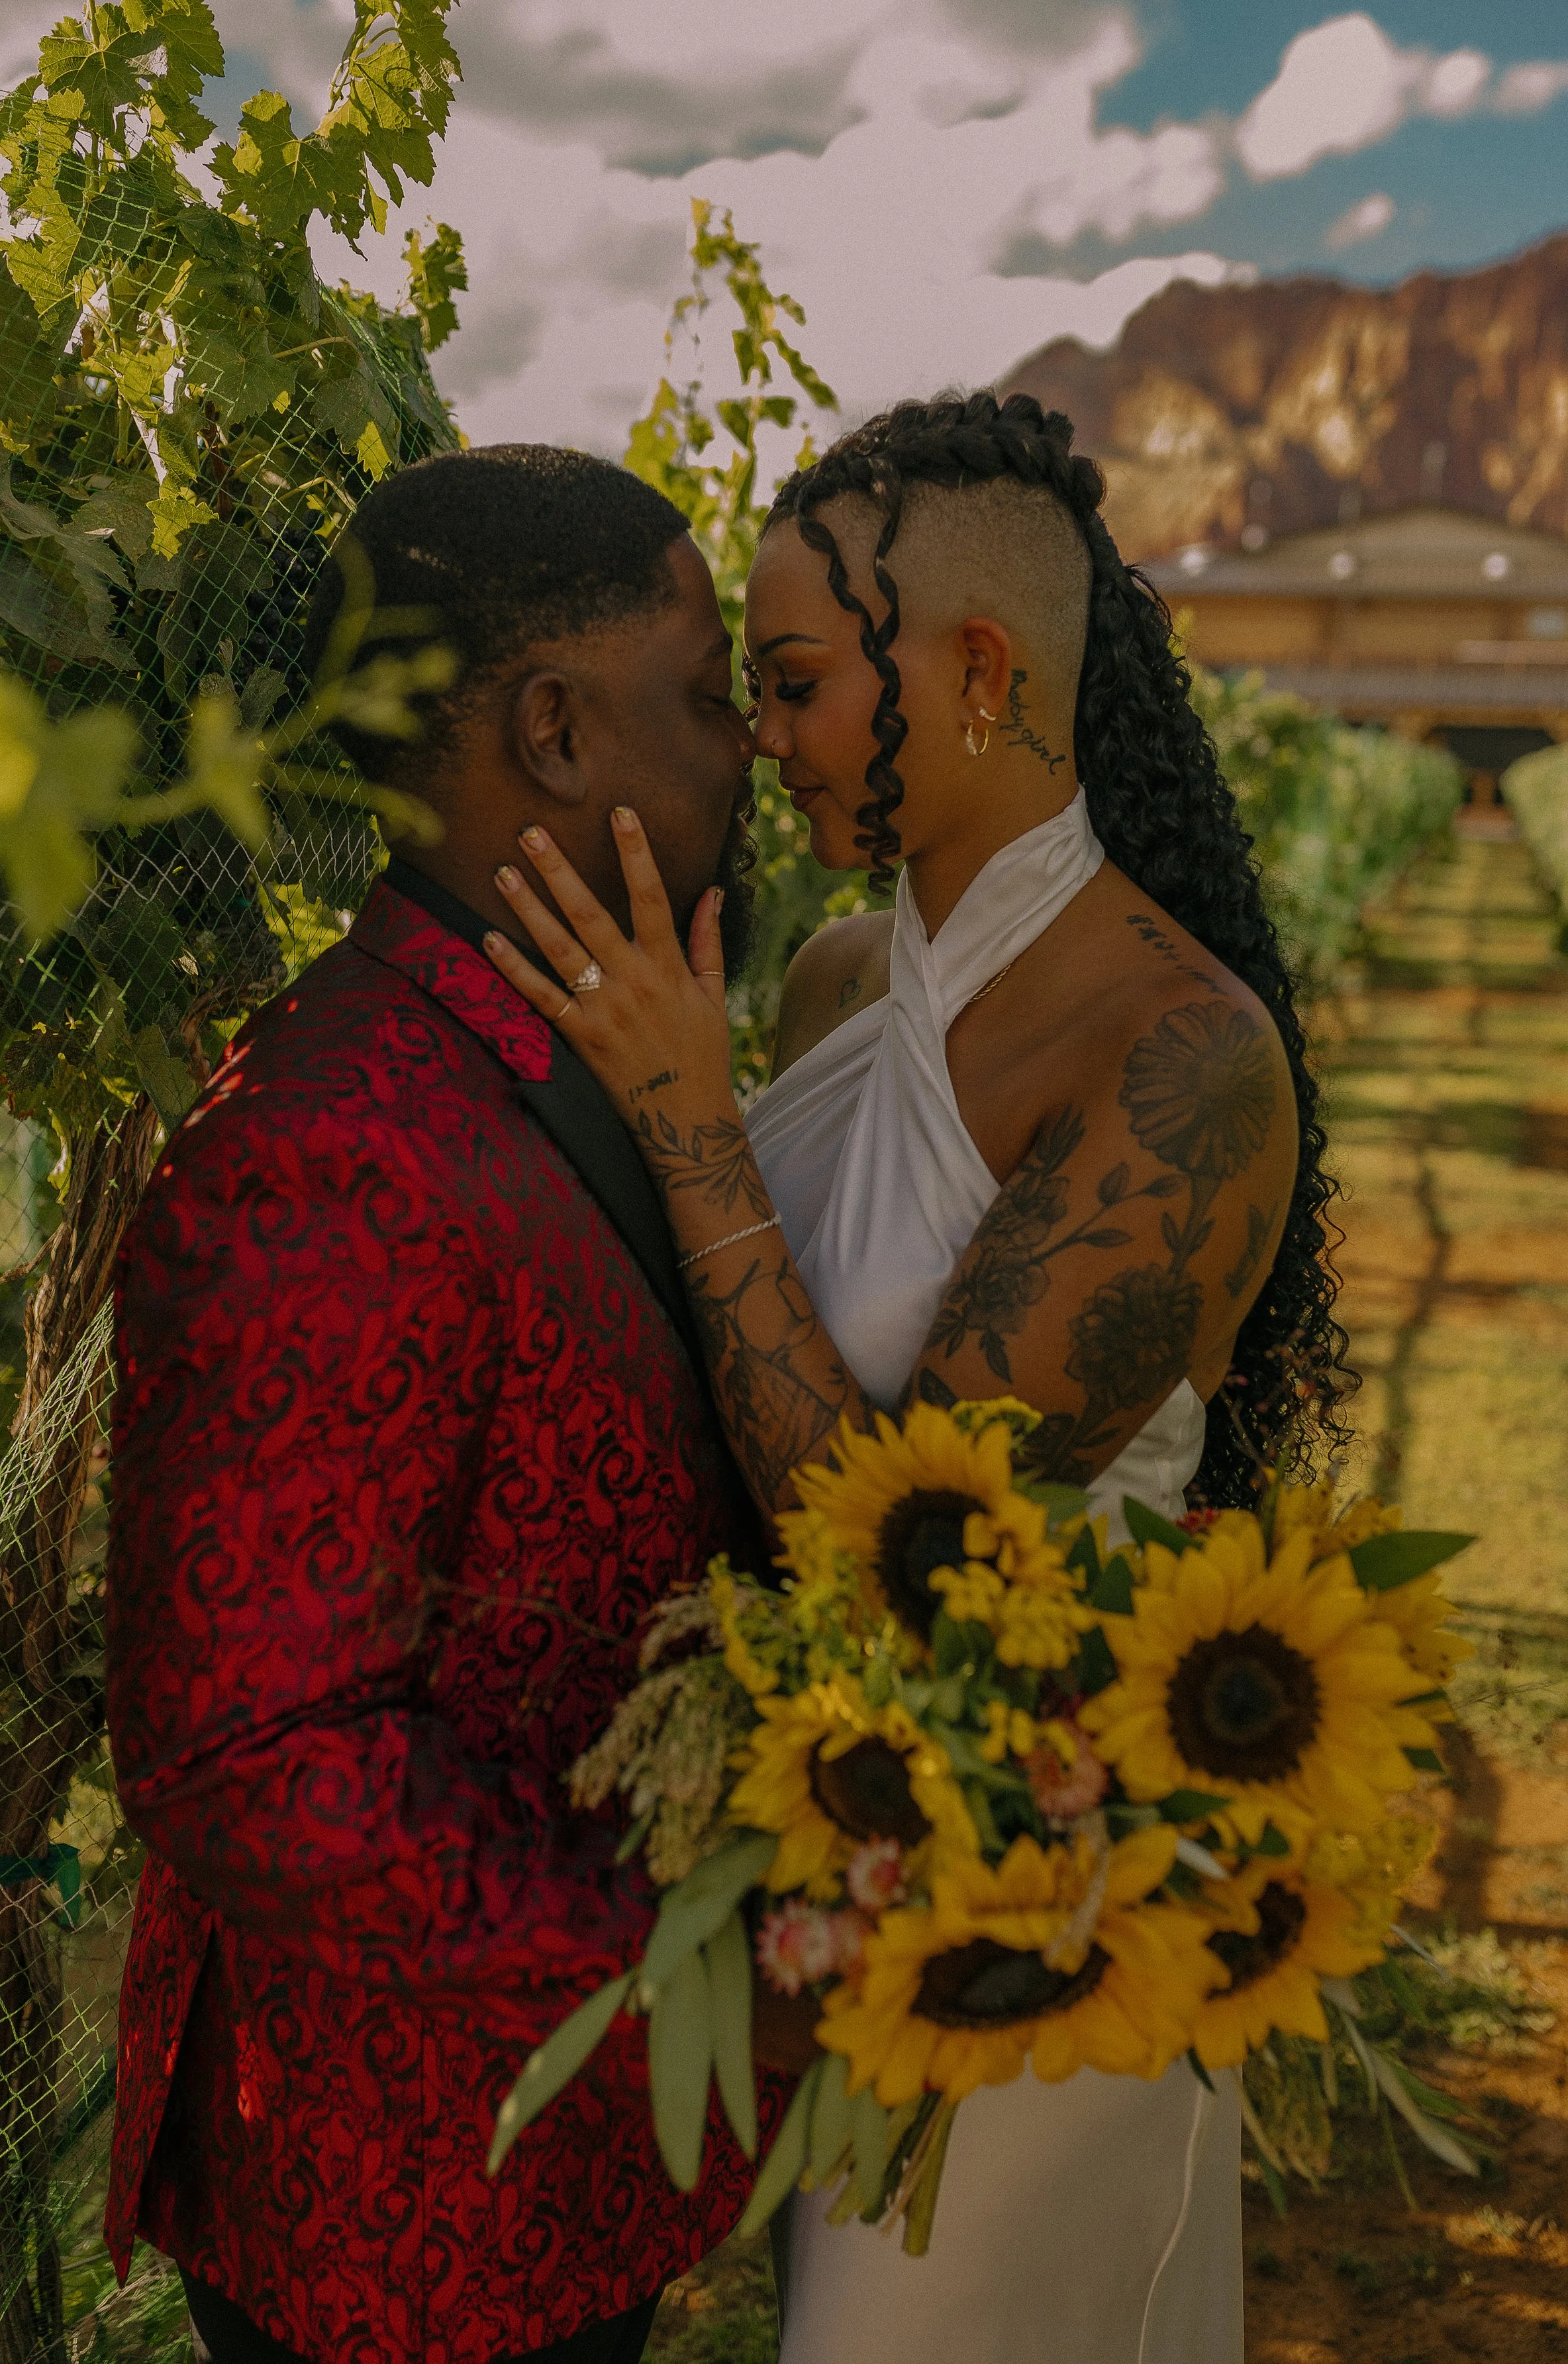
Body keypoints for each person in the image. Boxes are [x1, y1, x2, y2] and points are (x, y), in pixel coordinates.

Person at [479, 390, 1353, 2364]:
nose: (756, 737)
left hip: (1051, 1903)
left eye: (794, 683)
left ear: (975, 672)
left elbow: (915, 1562)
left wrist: (690, 1126)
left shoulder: (1179, 1058)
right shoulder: (830, 985)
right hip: (850, 1869)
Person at [101, 446, 776, 2364]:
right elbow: (253, 1751)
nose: (745, 747)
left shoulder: (548, 1052)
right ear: (554, 731)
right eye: (707, 688)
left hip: (538, 2176)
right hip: (399, 2226)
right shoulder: (328, 1142)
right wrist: (690, 1970)